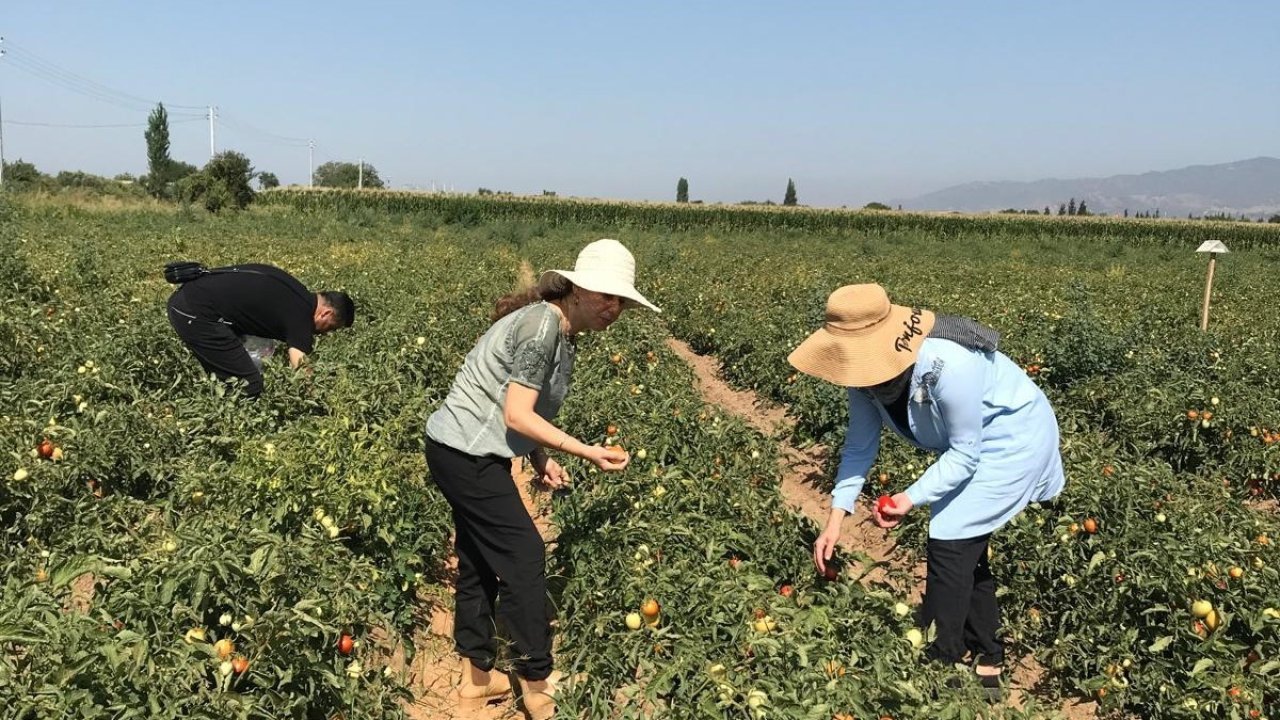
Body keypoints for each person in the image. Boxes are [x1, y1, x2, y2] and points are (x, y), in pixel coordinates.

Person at [789, 284, 1064, 699]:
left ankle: (944, 662)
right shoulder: (861, 378)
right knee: (963, 543)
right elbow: (860, 446)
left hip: (1011, 439)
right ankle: (987, 651)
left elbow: (966, 454)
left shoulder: (947, 364)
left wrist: (908, 497)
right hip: (971, 446)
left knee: (951, 538)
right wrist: (834, 521)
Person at [424, 238, 660, 719]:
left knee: (475, 557)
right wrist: (583, 450)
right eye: (605, 296)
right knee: (525, 554)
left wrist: (536, 460)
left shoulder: (557, 326)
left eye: (621, 301)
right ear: (575, 289)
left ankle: (477, 681)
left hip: (459, 449)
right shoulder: (541, 329)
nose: (613, 309)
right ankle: (537, 682)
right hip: (467, 454)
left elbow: (512, 406)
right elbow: (515, 414)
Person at [166, 263, 355, 397]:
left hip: (191, 298)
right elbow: (301, 367)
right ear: (326, 313)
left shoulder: (297, 292)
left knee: (245, 362)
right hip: (193, 312)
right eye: (331, 327)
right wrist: (320, 400)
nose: (327, 333)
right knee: (249, 385)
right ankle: (226, 423)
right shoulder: (301, 317)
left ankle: (215, 387)